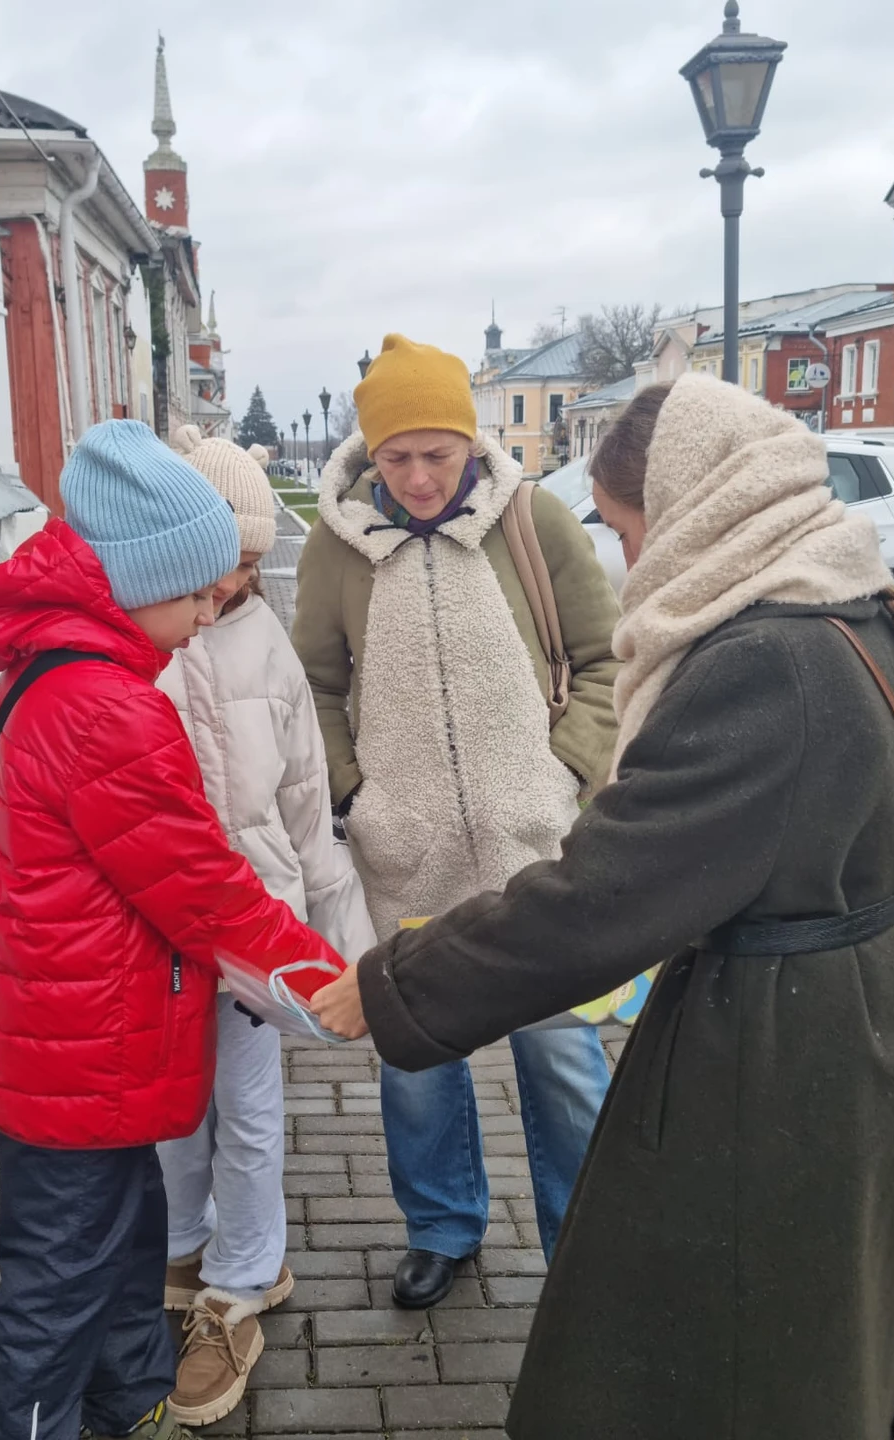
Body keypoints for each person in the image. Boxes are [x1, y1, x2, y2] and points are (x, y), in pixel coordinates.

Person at [311, 373, 894, 1440]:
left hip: (786, 1045)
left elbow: (600, 900)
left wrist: (398, 985)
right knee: (848, 1302)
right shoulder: (853, 602)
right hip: (863, 1007)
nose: (634, 562)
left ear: (695, 503)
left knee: (747, 1339)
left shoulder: (764, 662)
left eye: (634, 533)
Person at [0, 420, 346, 1440]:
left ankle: (130, 1407)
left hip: (75, 1046)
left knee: (125, 1260)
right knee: (56, 1299)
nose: (213, 611)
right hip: (82, 1055)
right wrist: (339, 987)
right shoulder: (108, 708)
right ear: (139, 579)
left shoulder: (57, 669)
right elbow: (204, 890)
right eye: (197, 591)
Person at [292, 334, 621, 1307]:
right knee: (417, 1063)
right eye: (396, 457)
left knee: (562, 1062)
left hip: (533, 854)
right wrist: (355, 796)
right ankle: (440, 1225)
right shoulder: (338, 543)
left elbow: (606, 657)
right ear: (372, 454)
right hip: (406, 855)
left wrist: (565, 770)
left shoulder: (532, 520)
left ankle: (587, 1247)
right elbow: (314, 684)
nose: (419, 477)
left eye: (437, 453)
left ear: (470, 442)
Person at [153, 431, 376, 1425]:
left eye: (251, 563)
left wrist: (342, 946)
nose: (236, 582)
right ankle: (186, 1242)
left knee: (245, 1110)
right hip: (156, 932)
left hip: (252, 927)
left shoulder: (268, 649)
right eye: (223, 561)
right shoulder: (138, 640)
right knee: (172, 1107)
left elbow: (305, 804)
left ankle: (242, 1280)